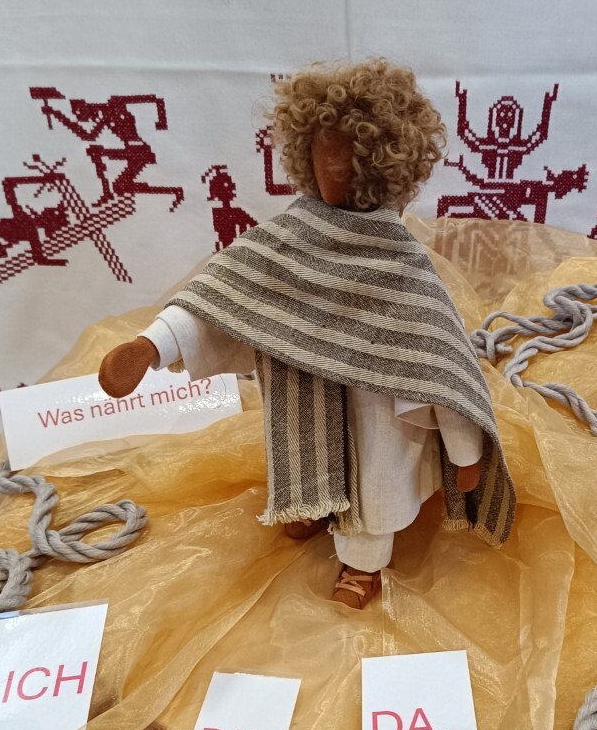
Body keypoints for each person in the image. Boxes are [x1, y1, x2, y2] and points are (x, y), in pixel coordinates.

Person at [99, 59, 515, 609]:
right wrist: (152, 344)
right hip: (302, 392)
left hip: (375, 406)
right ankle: (311, 503)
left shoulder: (399, 261)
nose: (332, 171)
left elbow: (436, 360)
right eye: (323, 157)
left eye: (345, 159)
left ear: (383, 163)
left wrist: (465, 451)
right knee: (301, 446)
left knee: (373, 484)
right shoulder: (287, 237)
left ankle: (362, 564)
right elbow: (227, 293)